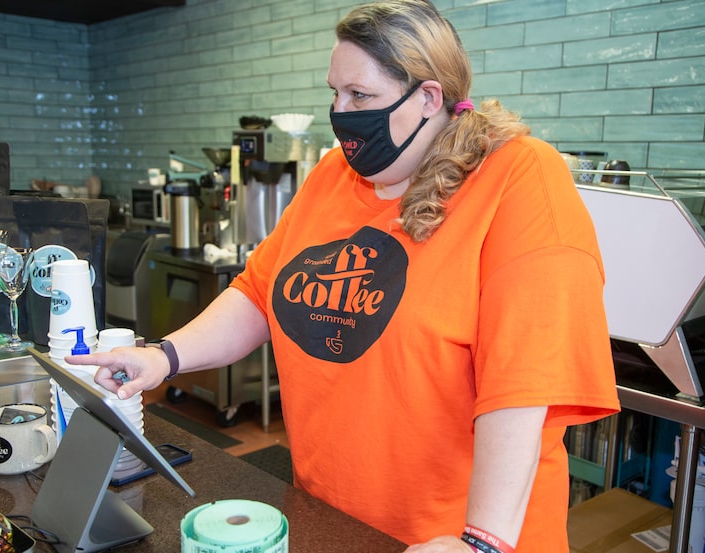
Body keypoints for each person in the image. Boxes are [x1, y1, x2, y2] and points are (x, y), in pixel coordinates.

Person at [67, 1, 620, 551]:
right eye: (334, 93)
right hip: (330, 517)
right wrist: (162, 356)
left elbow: (524, 383)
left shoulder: (519, 177)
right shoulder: (336, 174)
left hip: (455, 536)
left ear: (428, 97)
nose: (342, 112)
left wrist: (481, 542)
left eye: (361, 96)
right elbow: (260, 294)